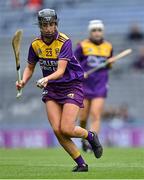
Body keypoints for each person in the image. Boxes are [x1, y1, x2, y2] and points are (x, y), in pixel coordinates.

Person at [16, 9, 103, 172]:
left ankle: (90, 136)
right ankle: (81, 164)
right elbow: (29, 67)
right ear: (40, 26)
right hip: (52, 89)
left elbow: (61, 71)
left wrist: (46, 79)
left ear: (56, 24)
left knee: (67, 129)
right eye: (45, 25)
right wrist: (23, 81)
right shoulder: (35, 44)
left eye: (52, 24)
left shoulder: (64, 41)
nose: (49, 28)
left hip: (71, 85)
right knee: (57, 129)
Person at [74, 20, 113, 152]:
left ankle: (92, 143)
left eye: (99, 30)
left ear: (102, 32)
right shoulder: (82, 46)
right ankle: (83, 138)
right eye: (94, 30)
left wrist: (109, 63)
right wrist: (80, 73)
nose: (97, 33)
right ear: (90, 32)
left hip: (100, 86)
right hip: (84, 86)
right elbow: (72, 63)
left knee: (96, 115)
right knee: (83, 117)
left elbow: (109, 65)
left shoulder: (108, 47)